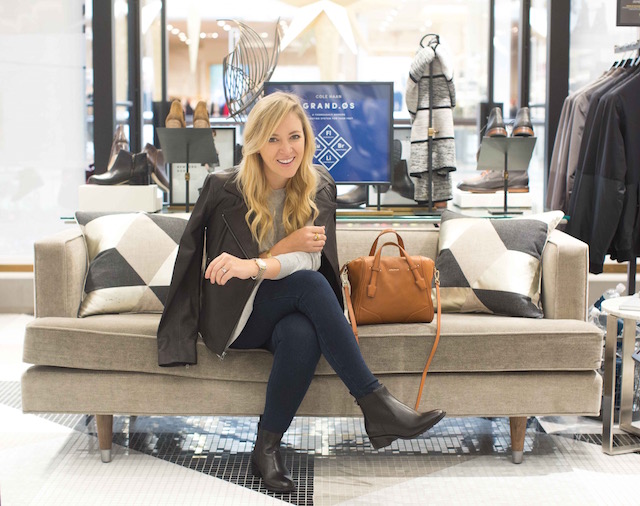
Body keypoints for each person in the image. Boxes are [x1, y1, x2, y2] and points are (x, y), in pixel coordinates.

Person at [157, 92, 445, 493]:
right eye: (273, 139)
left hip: (287, 304)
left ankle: (266, 449)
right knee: (308, 286)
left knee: (302, 332)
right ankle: (376, 405)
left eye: (294, 137)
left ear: (307, 139)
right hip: (236, 312)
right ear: (256, 142)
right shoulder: (224, 187)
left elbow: (312, 260)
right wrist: (179, 334)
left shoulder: (318, 184)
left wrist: (261, 261)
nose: (286, 149)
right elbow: (189, 256)